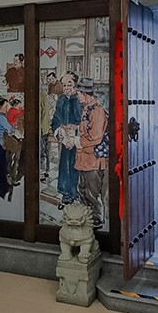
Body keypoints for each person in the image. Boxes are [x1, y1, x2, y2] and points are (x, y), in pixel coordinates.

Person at [74, 77, 108, 227]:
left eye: (78, 93)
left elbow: (96, 137)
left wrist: (78, 141)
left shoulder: (97, 110)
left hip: (93, 160)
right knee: (82, 190)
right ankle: (87, 219)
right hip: (84, 159)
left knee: (92, 193)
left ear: (85, 93)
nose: (77, 96)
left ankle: (96, 220)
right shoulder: (86, 108)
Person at [49, 72, 81, 200]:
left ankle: (77, 193)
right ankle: (66, 194)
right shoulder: (61, 100)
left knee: (77, 166)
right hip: (65, 139)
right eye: (64, 85)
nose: (66, 88)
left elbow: (86, 121)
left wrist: (76, 129)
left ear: (75, 85)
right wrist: (60, 130)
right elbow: (55, 119)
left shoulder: (80, 99)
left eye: (69, 84)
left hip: (79, 140)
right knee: (66, 166)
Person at [0, 97, 21, 184]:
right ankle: (12, 176)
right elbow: (9, 129)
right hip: (4, 141)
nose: (7, 108)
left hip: (1, 139)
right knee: (17, 151)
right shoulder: (1, 118)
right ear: (0, 106)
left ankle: (10, 174)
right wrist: (14, 128)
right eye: (6, 106)